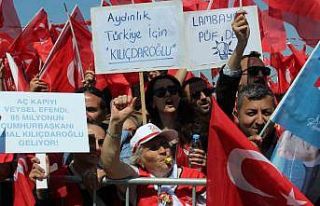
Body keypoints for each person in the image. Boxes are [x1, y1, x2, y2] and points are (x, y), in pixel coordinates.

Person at [101, 95, 206, 205]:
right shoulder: (136, 178)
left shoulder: (193, 177)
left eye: (165, 144)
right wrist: (116, 123)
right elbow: (109, 164)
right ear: (139, 160)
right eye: (153, 148)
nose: (163, 151)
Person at [29, 122, 120, 205]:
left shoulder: (111, 178)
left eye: (101, 142)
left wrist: (110, 174)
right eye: (89, 141)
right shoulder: (57, 179)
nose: (97, 148)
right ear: (74, 144)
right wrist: (42, 191)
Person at [215, 11, 271, 119]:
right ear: (238, 78)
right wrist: (241, 44)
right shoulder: (228, 115)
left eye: (264, 72)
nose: (260, 76)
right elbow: (227, 84)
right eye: (253, 71)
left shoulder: (279, 113)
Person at [234, 83, 277, 158]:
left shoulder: (288, 146)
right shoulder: (227, 150)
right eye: (251, 113)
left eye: (267, 113)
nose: (260, 121)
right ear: (237, 115)